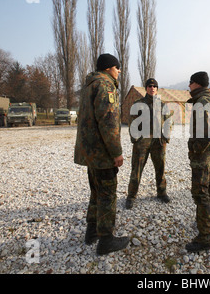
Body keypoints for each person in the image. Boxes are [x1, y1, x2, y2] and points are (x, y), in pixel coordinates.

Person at [74, 53, 129, 255]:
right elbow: (109, 123)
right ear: (108, 68)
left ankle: (91, 232)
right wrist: (116, 153)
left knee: (96, 192)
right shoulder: (106, 86)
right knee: (107, 195)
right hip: (103, 153)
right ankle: (106, 240)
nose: (119, 71)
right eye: (117, 67)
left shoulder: (90, 85)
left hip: (90, 153)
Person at [185, 71, 210, 253]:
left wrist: (195, 149)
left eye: (190, 83)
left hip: (203, 153)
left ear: (197, 84)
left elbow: (206, 133)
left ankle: (205, 237)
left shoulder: (202, 102)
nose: (188, 86)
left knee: (200, 191)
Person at [126, 78, 173, 209]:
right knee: (137, 169)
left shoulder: (162, 105)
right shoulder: (138, 104)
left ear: (157, 89)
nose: (152, 88)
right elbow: (131, 122)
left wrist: (166, 138)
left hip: (158, 142)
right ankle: (131, 196)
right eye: (150, 86)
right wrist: (136, 139)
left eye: (154, 86)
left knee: (160, 168)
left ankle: (162, 192)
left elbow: (169, 122)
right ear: (146, 88)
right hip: (142, 142)